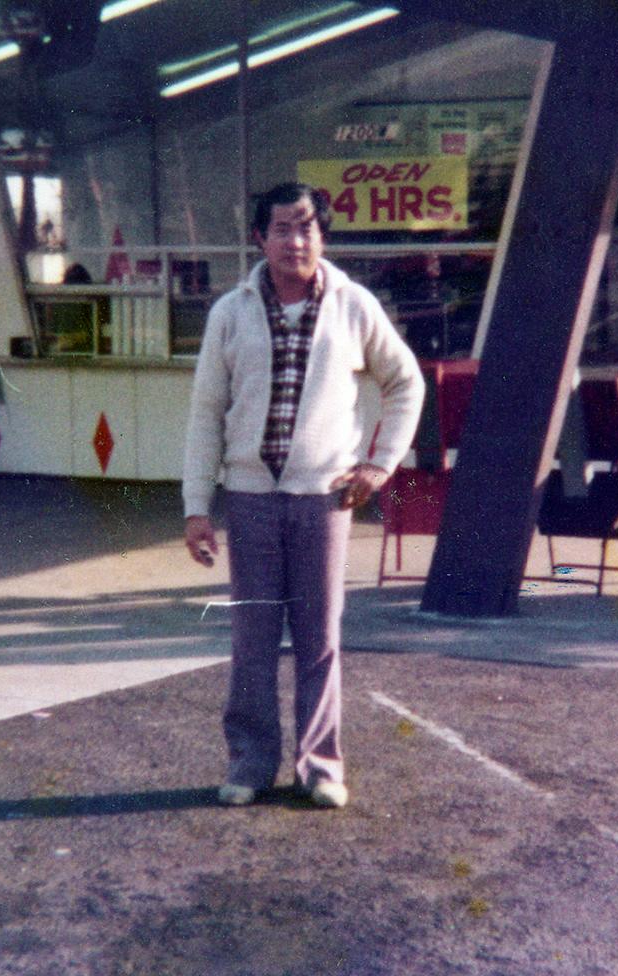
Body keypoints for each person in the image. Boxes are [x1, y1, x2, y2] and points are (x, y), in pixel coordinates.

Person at [182, 182, 424, 808]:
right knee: (253, 636)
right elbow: (207, 412)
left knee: (318, 636)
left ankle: (319, 767)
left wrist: (378, 465)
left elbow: (406, 383)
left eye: (309, 226)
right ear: (258, 238)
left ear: (323, 234)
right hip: (251, 496)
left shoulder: (353, 305)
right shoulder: (230, 313)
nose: (298, 240)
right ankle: (250, 763)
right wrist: (195, 508)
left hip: (324, 499)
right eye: (284, 228)